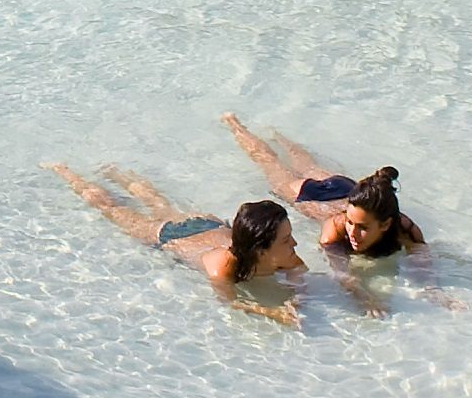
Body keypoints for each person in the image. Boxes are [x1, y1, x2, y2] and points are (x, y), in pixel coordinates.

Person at [46, 162, 305, 292]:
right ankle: (65, 172)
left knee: (157, 201)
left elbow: (299, 277)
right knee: (111, 208)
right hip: (174, 235)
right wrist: (273, 312)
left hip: (210, 224)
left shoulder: (281, 255)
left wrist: (298, 300)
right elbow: (233, 305)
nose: (294, 244)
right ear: (261, 251)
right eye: (286, 240)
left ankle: (113, 170)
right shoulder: (223, 269)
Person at [224, 115, 427, 258]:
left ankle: (276, 133)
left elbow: (423, 263)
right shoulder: (335, 229)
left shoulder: (405, 228)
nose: (352, 233)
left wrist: (435, 293)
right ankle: (234, 124)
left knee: (308, 165)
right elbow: (342, 275)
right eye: (350, 222)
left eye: (363, 227)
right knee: (269, 162)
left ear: (385, 224)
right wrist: (362, 296)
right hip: (307, 194)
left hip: (350, 190)